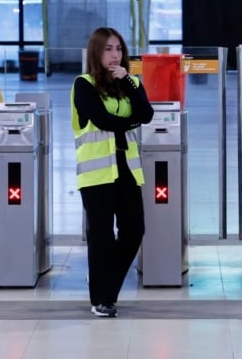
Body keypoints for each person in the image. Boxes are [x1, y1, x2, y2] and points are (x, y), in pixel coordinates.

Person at [70, 26, 154, 318]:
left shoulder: (127, 83)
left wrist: (131, 83)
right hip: (97, 174)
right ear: (96, 52)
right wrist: (131, 122)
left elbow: (147, 114)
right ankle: (102, 299)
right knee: (101, 237)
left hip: (128, 171)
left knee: (134, 230)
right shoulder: (83, 85)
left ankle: (103, 282)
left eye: (119, 49)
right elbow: (103, 119)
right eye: (108, 49)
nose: (115, 55)